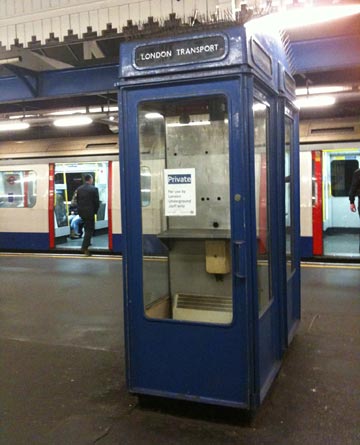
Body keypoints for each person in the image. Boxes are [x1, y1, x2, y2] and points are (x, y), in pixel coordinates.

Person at [75, 174, 100, 256]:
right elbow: (96, 203)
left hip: (82, 212)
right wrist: (95, 212)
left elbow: (77, 201)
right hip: (90, 212)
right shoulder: (94, 189)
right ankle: (84, 247)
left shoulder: (79, 189)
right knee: (89, 229)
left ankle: (87, 242)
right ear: (90, 179)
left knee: (86, 227)